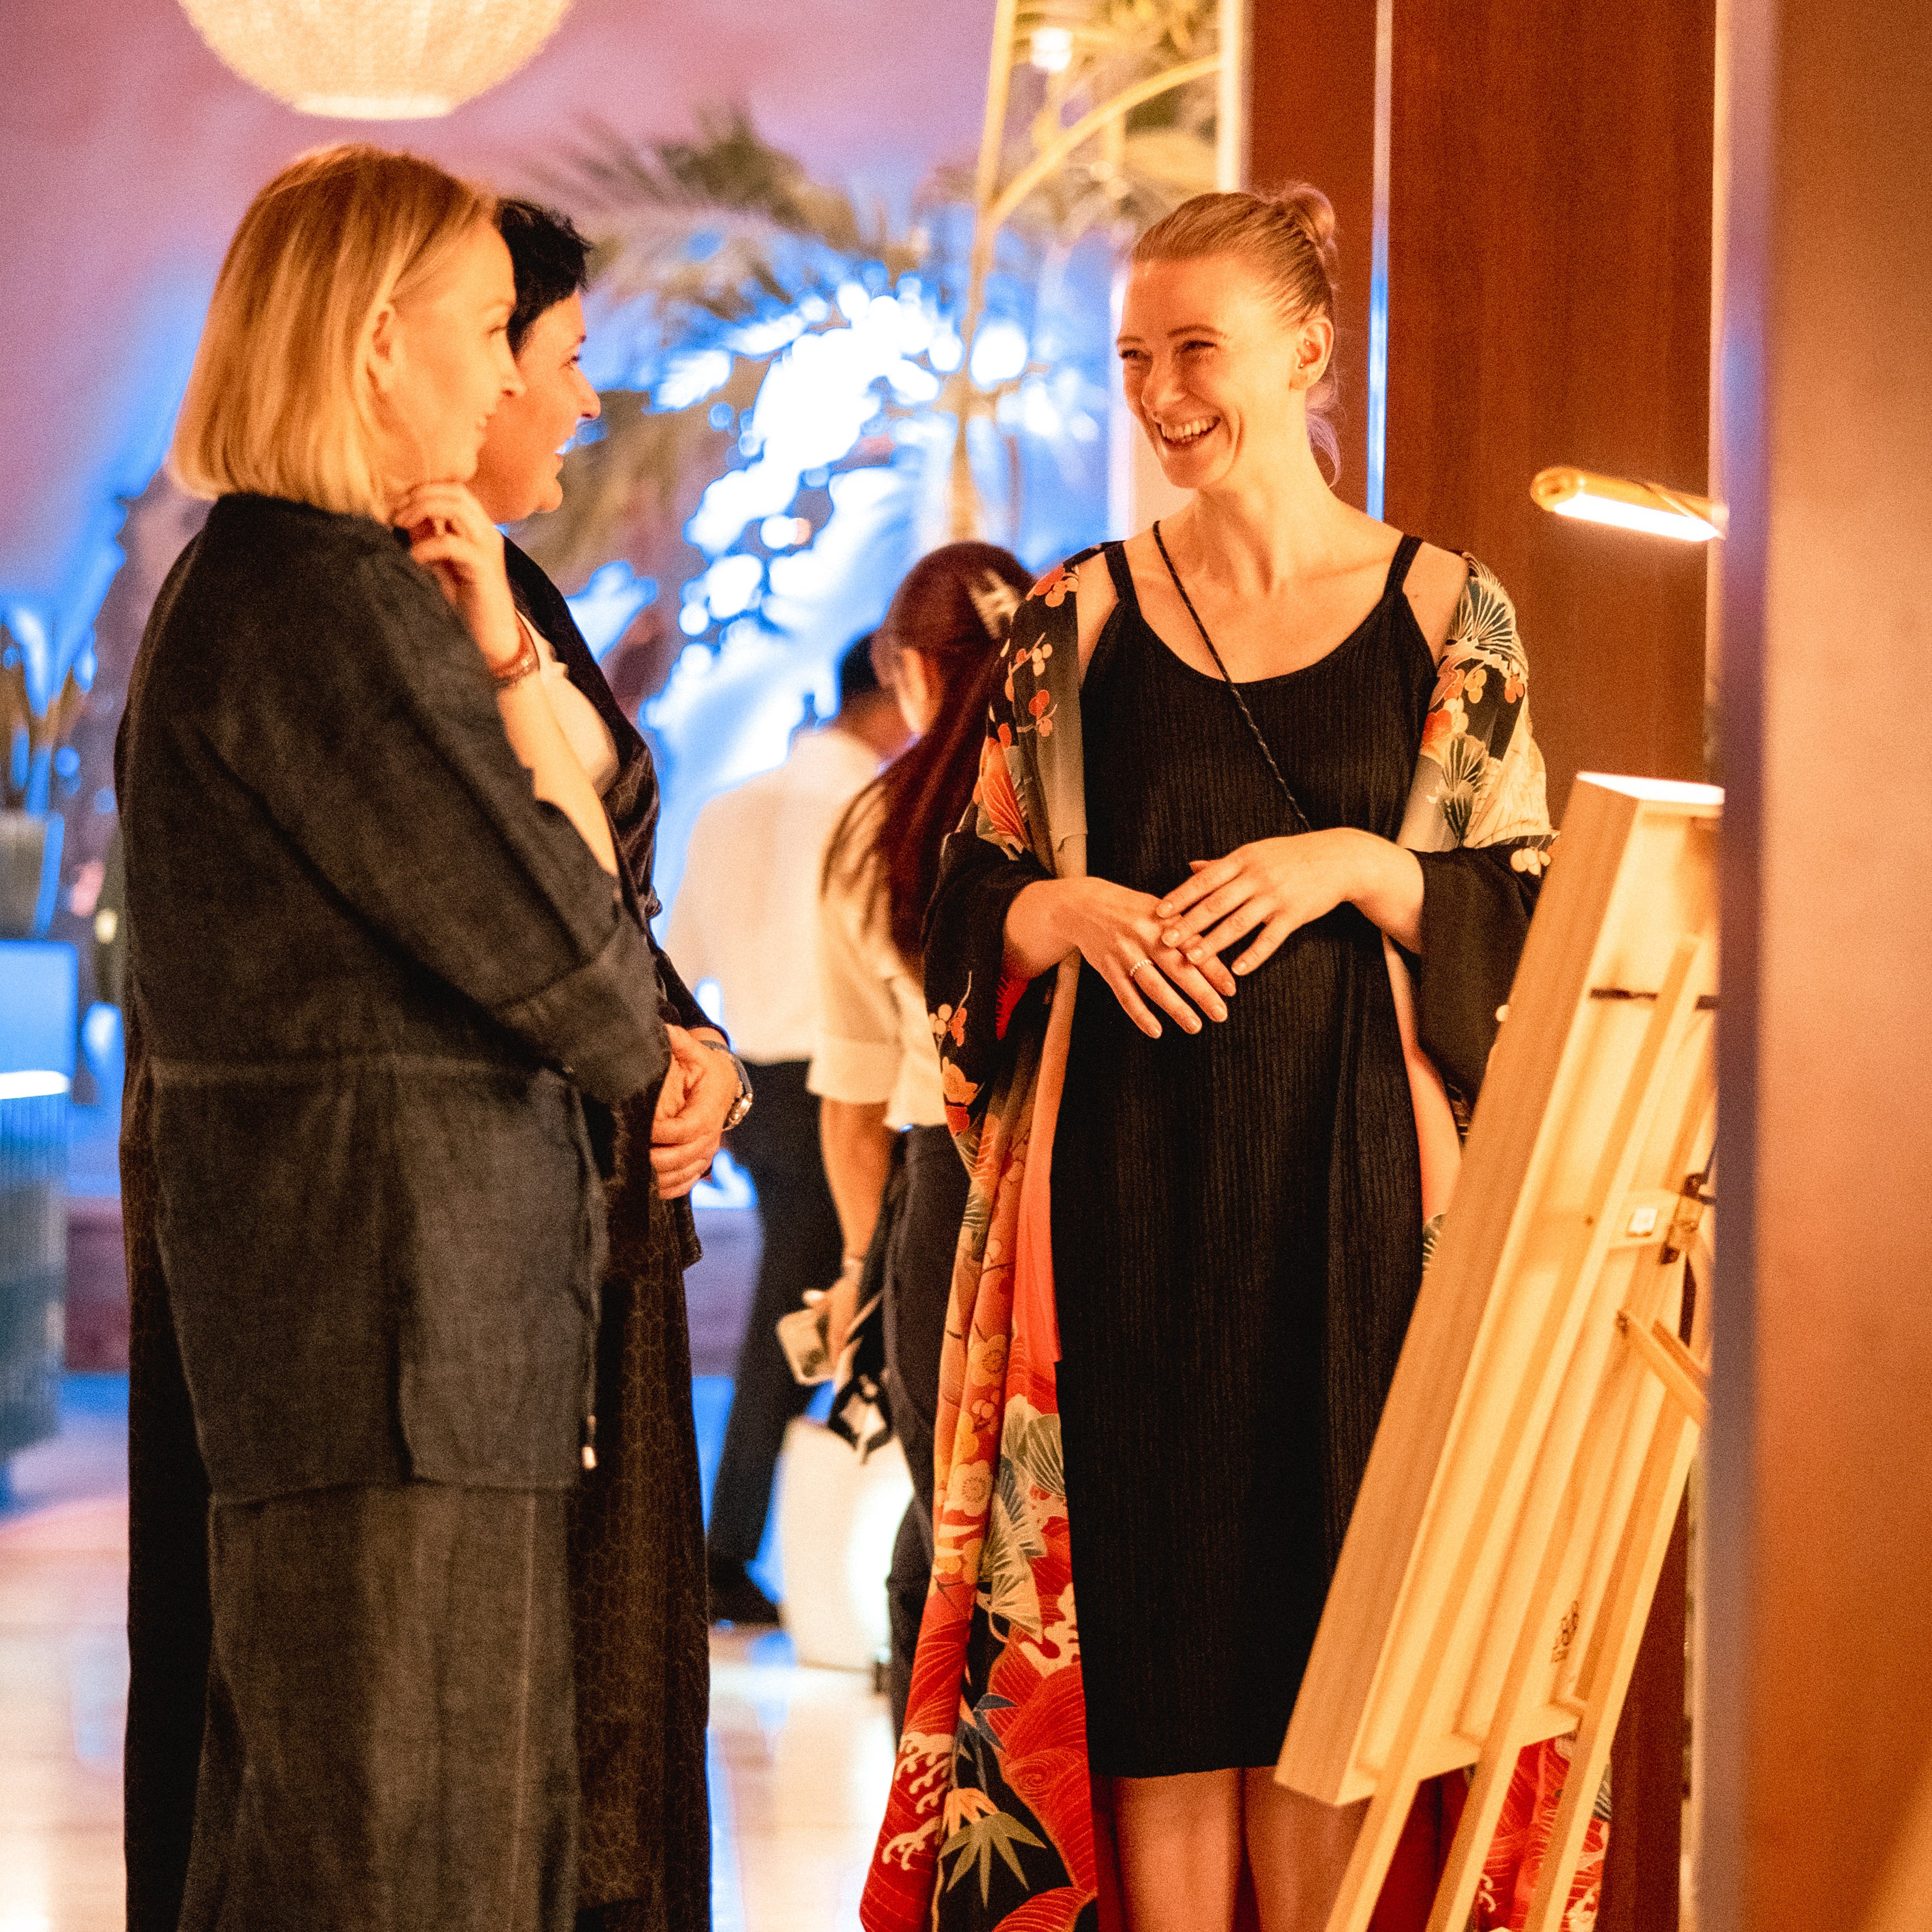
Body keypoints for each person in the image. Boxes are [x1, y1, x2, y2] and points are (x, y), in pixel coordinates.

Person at [862, 188, 1572, 1932]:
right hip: (1127, 1202)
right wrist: (1062, 912)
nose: (1161, 393)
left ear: (1307, 350)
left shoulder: (1448, 612)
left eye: (1198, 349)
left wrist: (1362, 867)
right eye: (1133, 356)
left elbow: (1539, 920)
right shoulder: (1072, 622)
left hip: (1365, 1213)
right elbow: (962, 908)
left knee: (1333, 1668)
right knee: (1157, 1660)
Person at [118, 147, 669, 1932]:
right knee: (403, 1869)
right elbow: (589, 980)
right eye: (491, 329)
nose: (511, 378)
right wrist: (510, 684)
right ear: (375, 344)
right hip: (394, 1340)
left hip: (396, 1344)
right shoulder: (322, 600)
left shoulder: (286, 589)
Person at [469, 196, 745, 1932]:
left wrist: (700, 1044)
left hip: (618, 1198)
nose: (586, 402)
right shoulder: (402, 603)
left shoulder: (524, 589)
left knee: (634, 1701)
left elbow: (607, 901)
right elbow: (515, 906)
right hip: (519, 1219)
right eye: (565, 358)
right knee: (556, 1720)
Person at [809, 542, 1034, 1735]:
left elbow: (854, 1100)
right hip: (1068, 1174)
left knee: (942, 1517)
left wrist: (861, 1262)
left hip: (944, 1186)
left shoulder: (877, 828)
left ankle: (937, 1797)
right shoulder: (1071, 802)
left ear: (908, 670)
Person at [666, 635, 910, 1623]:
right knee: (818, 1314)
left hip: (755, 1088)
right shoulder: (879, 805)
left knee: (804, 1308)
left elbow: (681, 962)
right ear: (894, 691)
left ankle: (735, 1550)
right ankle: (728, 1553)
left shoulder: (729, 806)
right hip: (847, 1084)